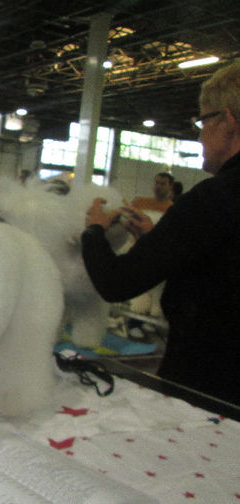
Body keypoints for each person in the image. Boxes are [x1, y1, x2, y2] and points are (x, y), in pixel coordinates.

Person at [81, 63, 240, 405]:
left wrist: (93, 229)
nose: (199, 135)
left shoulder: (214, 198)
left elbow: (115, 283)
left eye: (203, 121)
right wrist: (158, 238)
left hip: (209, 384)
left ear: (227, 121)